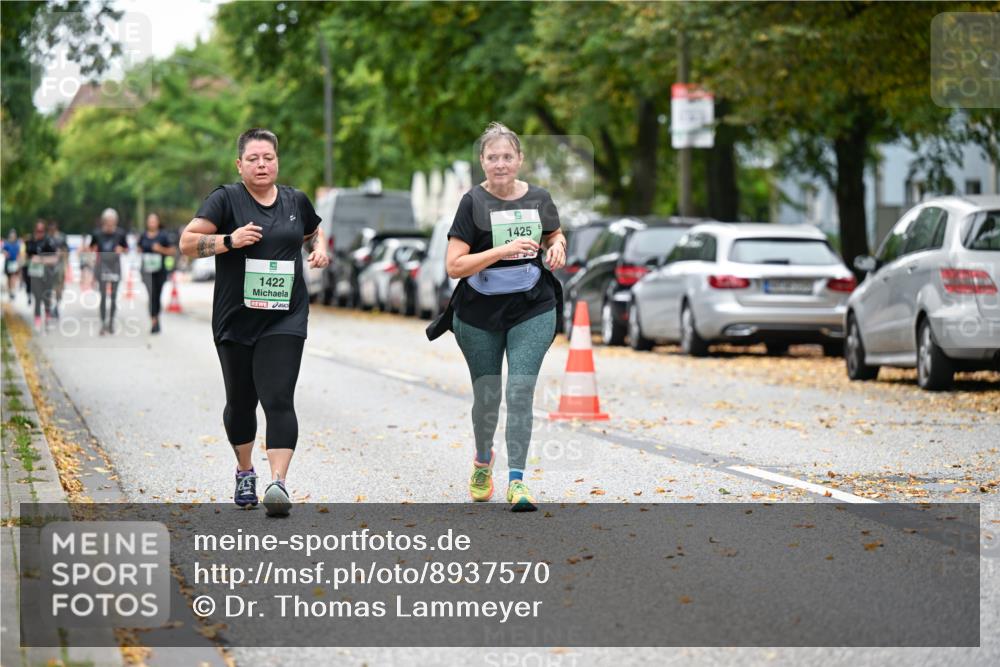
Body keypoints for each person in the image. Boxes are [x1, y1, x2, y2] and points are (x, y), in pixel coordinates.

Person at [179, 128, 328, 517]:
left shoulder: (296, 200)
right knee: (241, 403)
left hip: (286, 316)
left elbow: (314, 230)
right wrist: (230, 240)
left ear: (277, 161)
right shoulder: (225, 200)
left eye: (269, 158)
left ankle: (277, 483)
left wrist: (319, 249)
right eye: (254, 159)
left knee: (278, 397)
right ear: (240, 164)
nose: (262, 165)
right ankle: (245, 469)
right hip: (236, 319)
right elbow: (187, 243)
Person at [441, 122, 566, 512]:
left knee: (520, 391)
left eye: (507, 156)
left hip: (532, 306)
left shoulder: (540, 198)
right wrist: (502, 249)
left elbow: (554, 234)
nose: (500, 164)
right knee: (488, 398)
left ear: (519, 160)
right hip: (479, 312)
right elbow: (454, 265)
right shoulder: (472, 203)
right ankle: (482, 460)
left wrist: (558, 246)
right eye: (492, 157)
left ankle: (518, 482)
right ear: (482, 161)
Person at [90, 208, 128, 335]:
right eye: (108, 222)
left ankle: (111, 322)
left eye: (113, 222)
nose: (111, 225)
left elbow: (127, 249)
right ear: (104, 222)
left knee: (113, 297)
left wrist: (121, 249)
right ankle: (102, 323)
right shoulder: (97, 234)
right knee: (102, 297)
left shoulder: (120, 234)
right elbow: (91, 248)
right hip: (102, 267)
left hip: (115, 267)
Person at [138, 213, 173, 333]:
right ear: (147, 223)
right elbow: (138, 248)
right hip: (146, 271)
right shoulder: (143, 235)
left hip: (160, 271)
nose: (152, 223)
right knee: (151, 295)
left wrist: (160, 249)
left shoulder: (163, 236)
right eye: (150, 221)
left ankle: (156, 318)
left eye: (154, 221)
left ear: (158, 222)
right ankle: (153, 321)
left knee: (157, 295)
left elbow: (172, 251)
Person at [25, 220, 58, 331]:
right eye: (37, 231)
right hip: (34, 274)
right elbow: (26, 256)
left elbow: (55, 259)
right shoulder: (30, 242)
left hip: (47, 273)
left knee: (46, 297)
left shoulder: (49, 241)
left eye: (41, 231)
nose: (39, 233)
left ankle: (47, 316)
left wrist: (41, 259)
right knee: (37, 297)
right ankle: (37, 319)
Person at [46, 220, 68, 319]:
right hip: (48, 266)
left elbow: (66, 251)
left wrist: (64, 263)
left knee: (59, 287)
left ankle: (56, 306)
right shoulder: (47, 238)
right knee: (48, 288)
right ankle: (49, 307)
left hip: (59, 265)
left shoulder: (62, 237)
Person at [3, 229, 22, 301]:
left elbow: (19, 253)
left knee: (13, 277)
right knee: (9, 278)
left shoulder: (17, 244)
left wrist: (19, 260)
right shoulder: (6, 243)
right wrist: (6, 253)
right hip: (8, 262)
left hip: (14, 262)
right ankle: (9, 290)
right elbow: (3, 250)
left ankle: (12, 291)